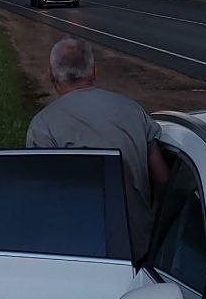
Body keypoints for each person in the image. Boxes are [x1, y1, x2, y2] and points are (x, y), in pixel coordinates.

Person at [26, 36, 169, 258]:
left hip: (81, 250)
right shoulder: (133, 110)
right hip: (141, 248)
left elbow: (42, 199)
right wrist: (151, 219)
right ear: (93, 72)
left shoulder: (43, 126)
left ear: (50, 74)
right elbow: (162, 179)